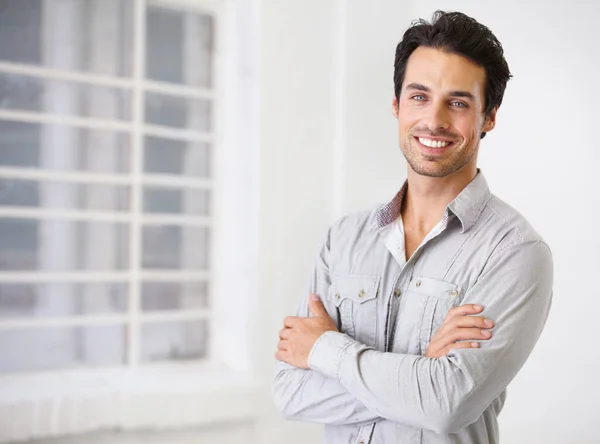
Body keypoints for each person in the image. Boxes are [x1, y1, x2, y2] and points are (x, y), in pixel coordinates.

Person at [272, 10, 553, 444]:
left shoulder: (516, 252)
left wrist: (327, 351)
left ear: (489, 117)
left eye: (458, 102)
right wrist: (419, 368)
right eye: (419, 96)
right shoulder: (342, 240)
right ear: (396, 104)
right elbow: (290, 391)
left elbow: (448, 405)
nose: (434, 120)